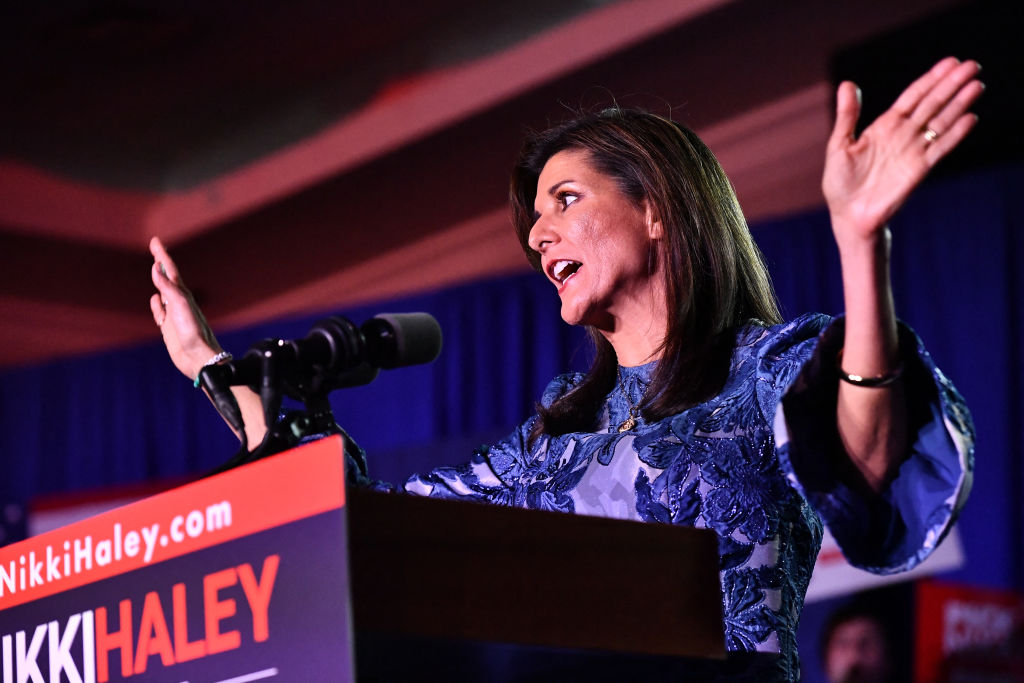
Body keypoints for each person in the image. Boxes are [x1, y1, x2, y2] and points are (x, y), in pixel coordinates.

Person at [149, 57, 980, 680]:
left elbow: (871, 459)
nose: (539, 234)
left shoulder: (765, 369)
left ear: (657, 210)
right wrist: (218, 372)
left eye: (566, 200)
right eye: (534, 218)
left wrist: (859, 241)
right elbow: (363, 523)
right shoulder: (557, 431)